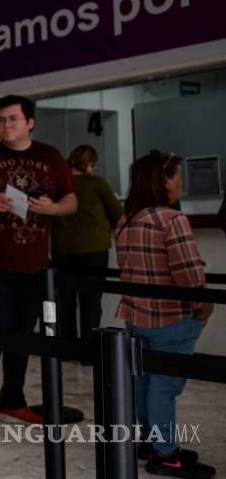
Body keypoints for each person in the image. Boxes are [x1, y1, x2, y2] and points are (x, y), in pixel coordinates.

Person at [0, 94, 77, 436]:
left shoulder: (50, 156)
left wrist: (51, 209)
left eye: (12, 119)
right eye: (0, 120)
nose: (5, 125)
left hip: (37, 263)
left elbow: (71, 201)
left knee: (24, 334)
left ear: (30, 122)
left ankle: (12, 402)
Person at [115, 151, 215, 479]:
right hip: (173, 319)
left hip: (136, 315)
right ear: (162, 181)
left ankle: (148, 440)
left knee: (143, 382)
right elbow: (189, 277)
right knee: (164, 387)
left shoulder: (126, 219)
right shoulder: (172, 220)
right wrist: (203, 306)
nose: (180, 183)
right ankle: (167, 455)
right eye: (175, 176)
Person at [51, 144, 121, 354]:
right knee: (91, 301)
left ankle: (68, 348)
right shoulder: (97, 183)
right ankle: (89, 351)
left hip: (62, 249)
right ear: (90, 164)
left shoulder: (58, 185)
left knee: (65, 300)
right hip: (93, 249)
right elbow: (118, 214)